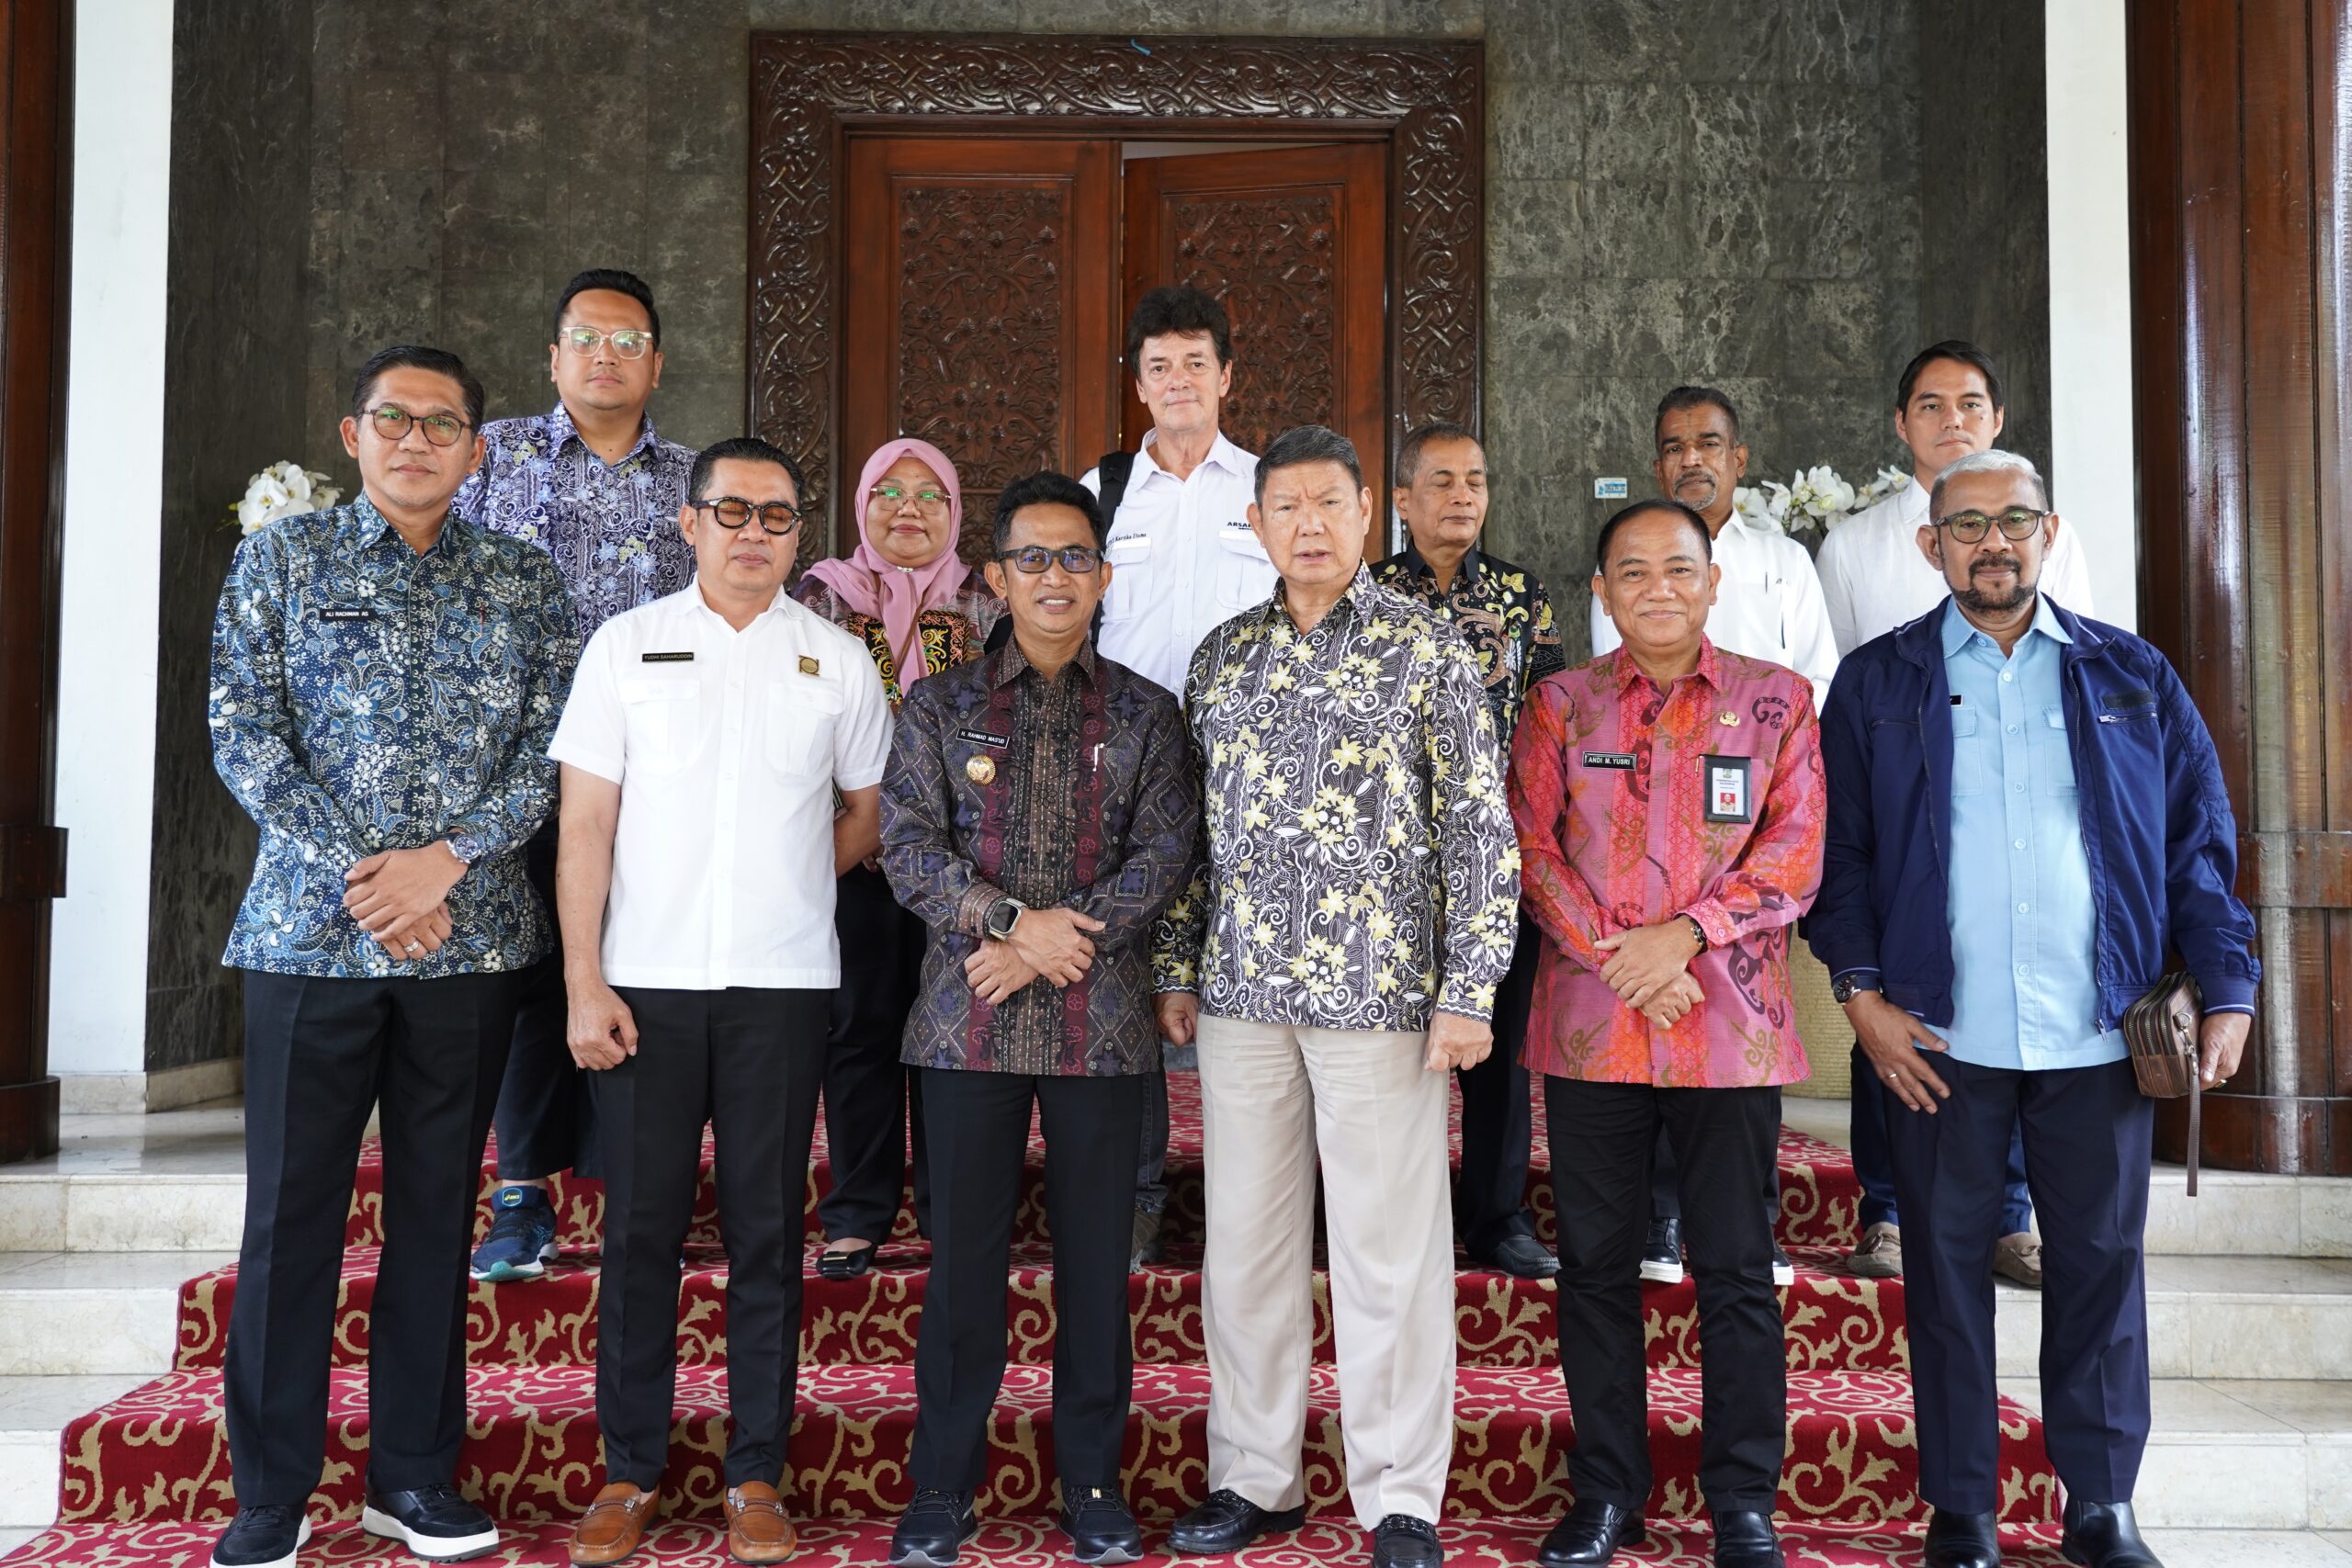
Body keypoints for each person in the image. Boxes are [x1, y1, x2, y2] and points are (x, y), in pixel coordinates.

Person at [1812, 450, 2258, 1568]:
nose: (1992, 541)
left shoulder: (2129, 675)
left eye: (2014, 520)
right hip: (1934, 1037)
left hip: (2098, 1032)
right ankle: (1960, 1509)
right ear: (1931, 546)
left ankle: (2100, 1504)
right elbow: (1842, 860)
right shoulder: (1875, 683)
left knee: (2100, 1268)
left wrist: (2229, 987)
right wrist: (1860, 998)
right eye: (1966, 525)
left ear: (2049, 532)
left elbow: (2196, 849)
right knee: (1946, 1276)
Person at [207, 345, 577, 1568]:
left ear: (478, 450)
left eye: (444, 424)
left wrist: (447, 859)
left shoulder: (526, 581)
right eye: (394, 419)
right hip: (308, 941)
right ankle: (270, 1488)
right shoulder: (282, 558)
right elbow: (244, 732)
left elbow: (547, 754)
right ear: (353, 433)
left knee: (434, 1214)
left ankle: (414, 1476)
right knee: (292, 1218)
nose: (417, 439)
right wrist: (373, 875)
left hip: (468, 946)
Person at [1152, 425, 1521, 1568]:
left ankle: (1399, 1492)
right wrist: (1175, 965)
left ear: (1370, 515)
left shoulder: (1429, 648)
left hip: (1384, 1001)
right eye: (1286, 506)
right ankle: (1253, 1478)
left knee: (1386, 1253)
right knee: (1246, 1250)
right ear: (1255, 524)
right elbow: (1192, 842)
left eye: (1329, 504)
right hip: (1244, 998)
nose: (1307, 525)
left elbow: (1478, 830)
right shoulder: (1221, 658)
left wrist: (1471, 988)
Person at [550, 437, 891, 1567]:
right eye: (732, 512)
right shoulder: (624, 645)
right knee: (640, 1234)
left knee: (765, 1235)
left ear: (802, 535)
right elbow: (586, 825)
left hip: (781, 988)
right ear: (688, 523)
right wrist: (583, 979)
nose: (755, 533)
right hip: (643, 986)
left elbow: (864, 815)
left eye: (778, 516)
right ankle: (628, 1469)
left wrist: (786, 882)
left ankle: (756, 1474)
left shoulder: (836, 660)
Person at [878, 472, 1201, 1568]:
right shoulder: (938, 705)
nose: (1054, 577)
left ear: (1104, 576)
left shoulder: (1151, 714)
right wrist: (1016, 928)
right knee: (964, 1262)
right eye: (1032, 558)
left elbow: (1165, 855)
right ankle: (941, 1484)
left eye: (1074, 558)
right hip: (966, 1021)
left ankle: (1094, 1481)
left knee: (1095, 1266)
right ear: (996, 578)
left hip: (1100, 1029)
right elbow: (910, 848)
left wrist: (1067, 939)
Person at [1512, 499, 1824, 1568]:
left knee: (1736, 1268)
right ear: (1598, 592)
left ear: (1713, 581)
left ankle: (1742, 1500)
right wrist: (1620, 960)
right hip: (1595, 1030)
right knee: (1596, 1267)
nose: (1656, 588)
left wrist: (1680, 939)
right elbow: (1531, 852)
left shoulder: (1777, 703)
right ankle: (1607, 1494)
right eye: (1630, 572)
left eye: (1677, 569)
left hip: (1727, 1030)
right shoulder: (1558, 704)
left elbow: (1792, 855)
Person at [1813, 341, 2092, 1289]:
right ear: (1901, 426)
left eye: (1969, 402)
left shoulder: (2058, 533)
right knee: (1889, 1017)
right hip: (1901, 814)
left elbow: (2082, 661)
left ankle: (2011, 1216)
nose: (1951, 420)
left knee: (2011, 1011)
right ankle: (1887, 1212)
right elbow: (1845, 673)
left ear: (1997, 417)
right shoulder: (1853, 542)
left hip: (2024, 807)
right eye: (1929, 406)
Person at [458, 267, 698, 1285]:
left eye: (627, 340)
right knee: (528, 973)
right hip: (517, 762)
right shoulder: (488, 457)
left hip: (653, 774)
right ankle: (520, 1190)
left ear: (656, 361)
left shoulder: (698, 481)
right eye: (585, 339)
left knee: (632, 961)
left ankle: (627, 1177)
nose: (605, 356)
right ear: (553, 356)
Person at [1593, 386, 1835, 1289]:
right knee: (1648, 1035)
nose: (1690, 458)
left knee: (1741, 1048)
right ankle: (1657, 1218)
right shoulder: (1628, 555)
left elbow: (1816, 679)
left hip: (1749, 843)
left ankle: (1748, 1226)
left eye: (1709, 443)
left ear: (1740, 459)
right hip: (1643, 847)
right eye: (1673, 445)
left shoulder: (1781, 563)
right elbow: (1607, 698)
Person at [1084, 284, 1275, 1267]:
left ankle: (1252, 1215)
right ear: (1138, 382)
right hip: (1125, 771)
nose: (1177, 382)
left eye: (1195, 362)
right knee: (1129, 981)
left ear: (1227, 375)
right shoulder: (1105, 490)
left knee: (1241, 980)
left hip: (1251, 776)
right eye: (1157, 365)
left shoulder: (1268, 490)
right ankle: (1137, 1197)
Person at [794, 437, 1005, 1281]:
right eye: (888, 492)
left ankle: (952, 1208)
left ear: (956, 513)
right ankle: (857, 1207)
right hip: (855, 856)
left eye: (930, 496)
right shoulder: (819, 595)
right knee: (861, 1031)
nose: (908, 509)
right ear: (861, 506)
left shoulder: (988, 599)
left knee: (957, 1038)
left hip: (964, 866)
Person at [1370, 421, 1564, 1281]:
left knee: (1498, 1047)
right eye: (1441, 482)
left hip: (1492, 857)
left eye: (1476, 481)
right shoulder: (1362, 594)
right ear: (1403, 500)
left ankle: (1497, 1215)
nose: (1462, 497)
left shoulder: (1524, 599)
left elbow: (1552, 722)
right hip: (1385, 864)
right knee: (1388, 1052)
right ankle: (1390, 1217)